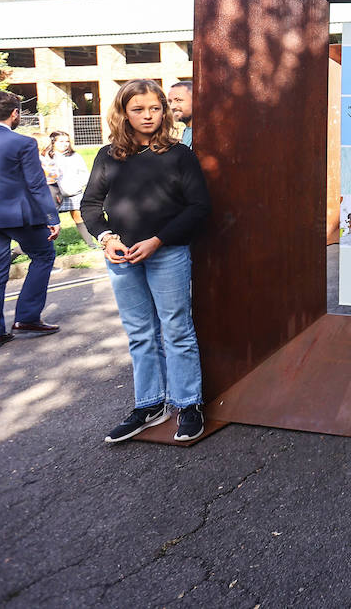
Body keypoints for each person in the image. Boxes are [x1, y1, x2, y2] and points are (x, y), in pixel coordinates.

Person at [82, 80, 211, 443]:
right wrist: (105, 239)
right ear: (123, 113)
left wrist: (158, 240)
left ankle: (188, 404)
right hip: (122, 257)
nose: (148, 116)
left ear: (164, 110)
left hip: (166, 253)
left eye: (155, 108)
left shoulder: (179, 154)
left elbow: (200, 207)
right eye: (138, 109)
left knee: (176, 329)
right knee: (140, 333)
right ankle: (150, 405)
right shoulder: (108, 155)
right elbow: (90, 205)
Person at [0, 91, 62, 351]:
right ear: (15, 113)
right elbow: (37, 184)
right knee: (43, 255)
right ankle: (27, 317)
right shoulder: (23, 143)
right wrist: (51, 216)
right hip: (19, 215)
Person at [43, 130, 99, 249]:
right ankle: (45, 246)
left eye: (67, 141)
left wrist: (81, 185)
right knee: (50, 222)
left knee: (79, 217)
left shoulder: (75, 156)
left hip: (74, 192)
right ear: (53, 142)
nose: (65, 144)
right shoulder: (47, 156)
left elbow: (84, 173)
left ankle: (91, 244)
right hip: (55, 194)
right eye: (61, 141)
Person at [168, 80, 194, 148]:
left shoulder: (205, 135)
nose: (172, 106)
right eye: (170, 101)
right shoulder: (187, 131)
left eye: (178, 100)